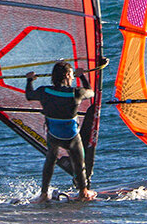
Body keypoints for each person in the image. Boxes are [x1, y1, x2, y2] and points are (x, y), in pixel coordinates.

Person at [25, 61, 96, 202]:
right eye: (72, 75)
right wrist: (82, 76)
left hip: (54, 135)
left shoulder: (44, 91)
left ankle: (44, 194)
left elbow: (29, 95)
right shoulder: (76, 92)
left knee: (50, 160)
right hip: (71, 136)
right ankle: (83, 192)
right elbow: (91, 92)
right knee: (79, 163)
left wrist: (29, 80)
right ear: (68, 75)